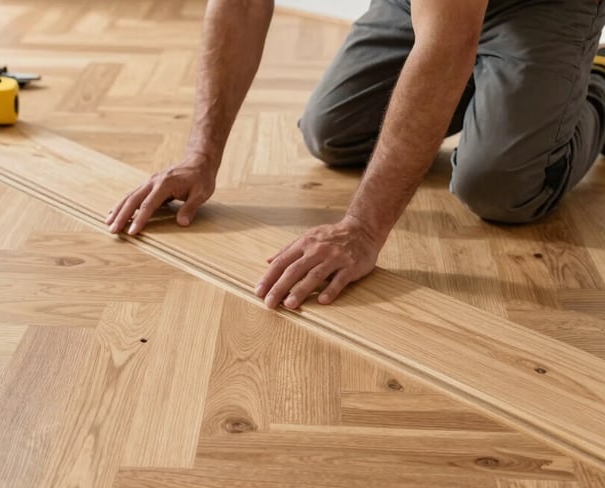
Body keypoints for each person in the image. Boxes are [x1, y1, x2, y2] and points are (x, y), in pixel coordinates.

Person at [107, 0, 605, 310]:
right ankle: (503, 92)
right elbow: (238, 4)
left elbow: (449, 42)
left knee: (499, 186)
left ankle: (592, 81)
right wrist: (200, 155)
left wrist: (362, 230)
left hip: (544, 5)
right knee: (332, 135)